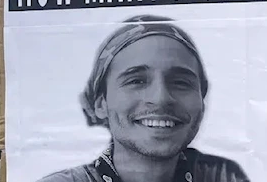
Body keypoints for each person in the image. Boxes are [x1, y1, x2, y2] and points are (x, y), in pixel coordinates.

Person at [37, 15, 249, 182]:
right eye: (136, 81)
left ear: (202, 101)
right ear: (100, 103)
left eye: (181, 82)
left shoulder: (225, 176)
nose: (161, 98)